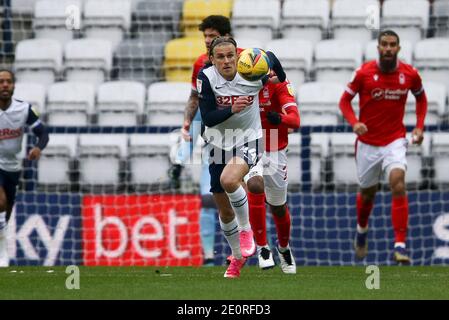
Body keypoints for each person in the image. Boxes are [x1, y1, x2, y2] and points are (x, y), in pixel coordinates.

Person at [198, 36, 286, 277]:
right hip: (217, 144)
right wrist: (231, 109)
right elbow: (207, 118)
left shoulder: (251, 75)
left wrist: (267, 56)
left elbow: (281, 76)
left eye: (230, 56)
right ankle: (238, 257)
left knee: (230, 180)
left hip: (248, 139)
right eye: (220, 57)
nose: (226, 61)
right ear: (212, 60)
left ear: (237, 56)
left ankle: (246, 230)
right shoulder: (205, 78)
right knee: (225, 212)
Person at [338, 30, 428, 265]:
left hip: (395, 140)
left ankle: (400, 246)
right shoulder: (363, 73)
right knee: (368, 194)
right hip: (367, 143)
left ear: (399, 48)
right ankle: (361, 229)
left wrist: (419, 127)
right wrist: (354, 122)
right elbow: (344, 101)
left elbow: (421, 98)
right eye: (384, 44)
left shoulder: (410, 74)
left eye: (393, 45)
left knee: (398, 182)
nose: (388, 48)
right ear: (378, 48)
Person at [168, 15, 236, 266]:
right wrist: (187, 123)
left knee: (250, 196)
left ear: (225, 36)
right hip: (216, 141)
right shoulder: (200, 64)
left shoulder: (245, 61)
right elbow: (194, 100)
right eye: (205, 36)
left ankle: (259, 250)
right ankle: (209, 256)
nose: (207, 40)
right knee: (209, 199)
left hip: (243, 139)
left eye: (212, 35)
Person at [245, 78, 300, 274]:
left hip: (276, 148)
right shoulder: (240, 83)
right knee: (254, 185)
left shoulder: (280, 85)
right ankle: (262, 248)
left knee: (278, 207)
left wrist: (281, 118)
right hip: (250, 146)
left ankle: (284, 248)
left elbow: (296, 120)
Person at [0, 69, 49, 267]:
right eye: (1, 81)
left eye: (8, 82)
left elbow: (43, 133)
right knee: (0, 202)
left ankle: (1, 242)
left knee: (6, 212)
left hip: (13, 167)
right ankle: (2, 253)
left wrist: (38, 147)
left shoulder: (24, 109)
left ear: (13, 86)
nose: (4, 85)